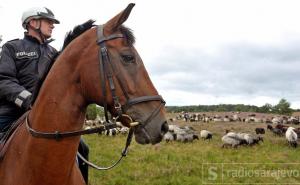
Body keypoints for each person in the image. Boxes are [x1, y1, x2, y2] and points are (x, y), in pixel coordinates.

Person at [0, 7, 89, 183]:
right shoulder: (11, 47)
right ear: (33, 23)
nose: (52, 26)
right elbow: (3, 79)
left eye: (53, 23)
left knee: (82, 149)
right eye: (49, 21)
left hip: (46, 116)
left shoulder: (54, 53)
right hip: (11, 113)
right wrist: (27, 99)